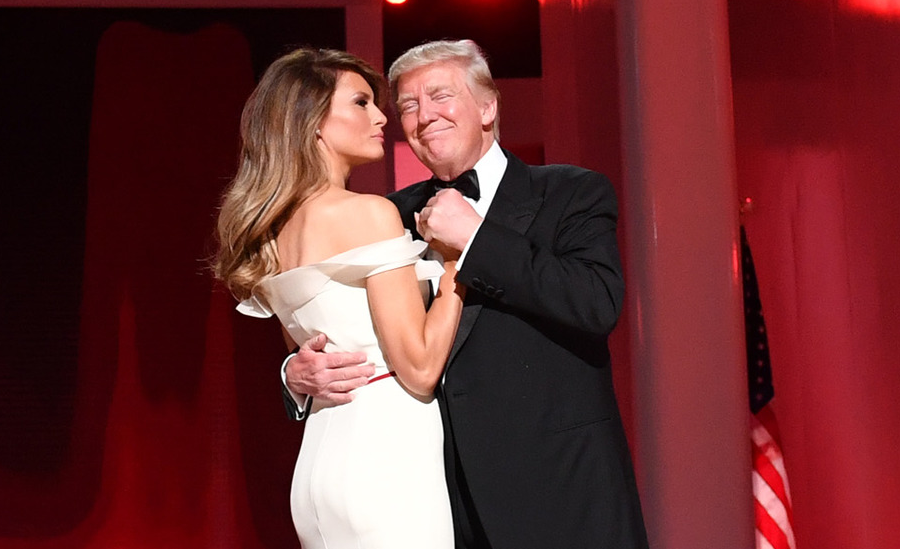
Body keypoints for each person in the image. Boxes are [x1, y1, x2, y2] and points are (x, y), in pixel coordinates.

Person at [284, 40, 650, 548]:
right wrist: (294, 373)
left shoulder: (571, 192)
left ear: (487, 106)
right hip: (439, 499)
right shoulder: (386, 213)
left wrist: (476, 239)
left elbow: (596, 303)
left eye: (440, 96)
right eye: (408, 106)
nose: (422, 115)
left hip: (562, 496)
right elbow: (339, 319)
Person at [213, 48, 464, 549]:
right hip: (388, 459)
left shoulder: (275, 231)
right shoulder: (367, 214)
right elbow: (418, 368)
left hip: (321, 464)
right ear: (312, 123)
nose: (380, 116)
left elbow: (311, 348)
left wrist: (290, 373)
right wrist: (460, 260)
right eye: (361, 103)